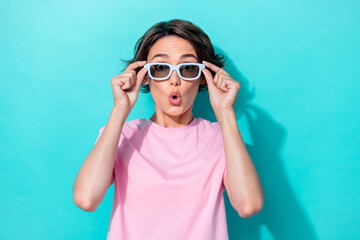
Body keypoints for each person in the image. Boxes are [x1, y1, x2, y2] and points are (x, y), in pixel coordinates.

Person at [73, 19, 264, 240]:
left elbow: (249, 205)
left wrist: (225, 113)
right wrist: (120, 109)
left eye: (188, 68)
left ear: (203, 77)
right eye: (161, 68)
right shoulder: (121, 134)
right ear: (144, 76)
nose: (175, 80)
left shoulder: (223, 138)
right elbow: (86, 199)